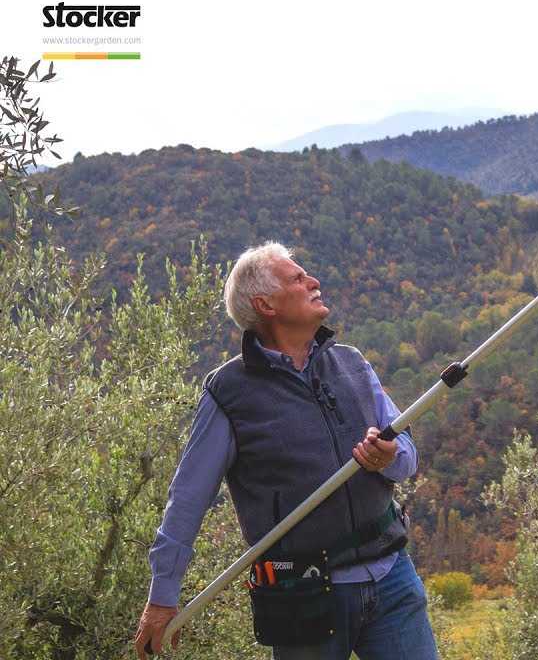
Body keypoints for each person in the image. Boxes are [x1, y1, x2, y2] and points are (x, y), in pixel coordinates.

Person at [134, 242, 439, 660]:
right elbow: (187, 499)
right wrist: (162, 596)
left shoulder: (353, 364)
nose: (313, 281)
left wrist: (388, 457)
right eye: (297, 278)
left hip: (392, 578)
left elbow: (406, 457)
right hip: (302, 594)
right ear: (266, 305)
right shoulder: (227, 392)